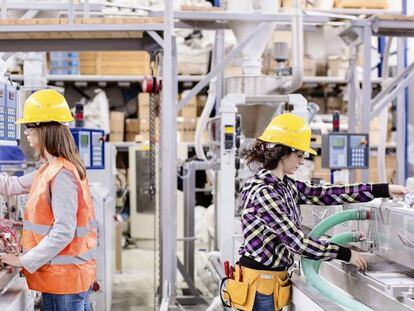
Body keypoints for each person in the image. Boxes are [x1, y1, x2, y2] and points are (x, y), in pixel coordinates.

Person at [237, 113, 407, 311]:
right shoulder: (264, 192)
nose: (302, 162)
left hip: (272, 281)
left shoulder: (285, 185)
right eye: (299, 155)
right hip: (260, 285)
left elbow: (326, 193)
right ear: (283, 153)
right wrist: (344, 253)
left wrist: (381, 189)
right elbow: (297, 242)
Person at [0, 89, 96, 311]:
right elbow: (10, 186)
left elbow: (64, 231)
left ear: (45, 130)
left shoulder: (62, 175)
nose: (26, 134)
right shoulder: (52, 169)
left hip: (65, 283)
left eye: (29, 127)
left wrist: (23, 260)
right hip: (66, 279)